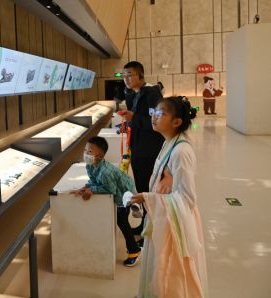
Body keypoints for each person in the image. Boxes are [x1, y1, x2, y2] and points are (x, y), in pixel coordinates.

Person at [131, 96, 208, 297]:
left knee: (171, 276)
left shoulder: (181, 151)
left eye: (162, 113)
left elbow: (187, 198)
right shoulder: (169, 143)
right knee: (160, 269)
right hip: (165, 217)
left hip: (175, 223)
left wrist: (149, 198)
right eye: (154, 112)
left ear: (176, 122)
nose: (154, 117)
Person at [71, 136, 142, 266]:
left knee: (122, 222)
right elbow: (94, 181)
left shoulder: (106, 173)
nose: (86, 153)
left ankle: (134, 251)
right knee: (121, 220)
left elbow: (111, 190)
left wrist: (92, 190)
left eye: (90, 151)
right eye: (86, 149)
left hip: (124, 194)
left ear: (101, 156)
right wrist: (86, 187)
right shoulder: (90, 166)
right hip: (117, 191)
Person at [122, 61, 165, 237]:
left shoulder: (152, 94)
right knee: (142, 187)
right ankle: (146, 224)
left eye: (130, 75)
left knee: (148, 188)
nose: (126, 79)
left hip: (149, 151)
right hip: (138, 149)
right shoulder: (136, 94)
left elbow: (157, 122)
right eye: (124, 76)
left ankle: (152, 226)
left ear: (141, 76)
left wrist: (134, 117)